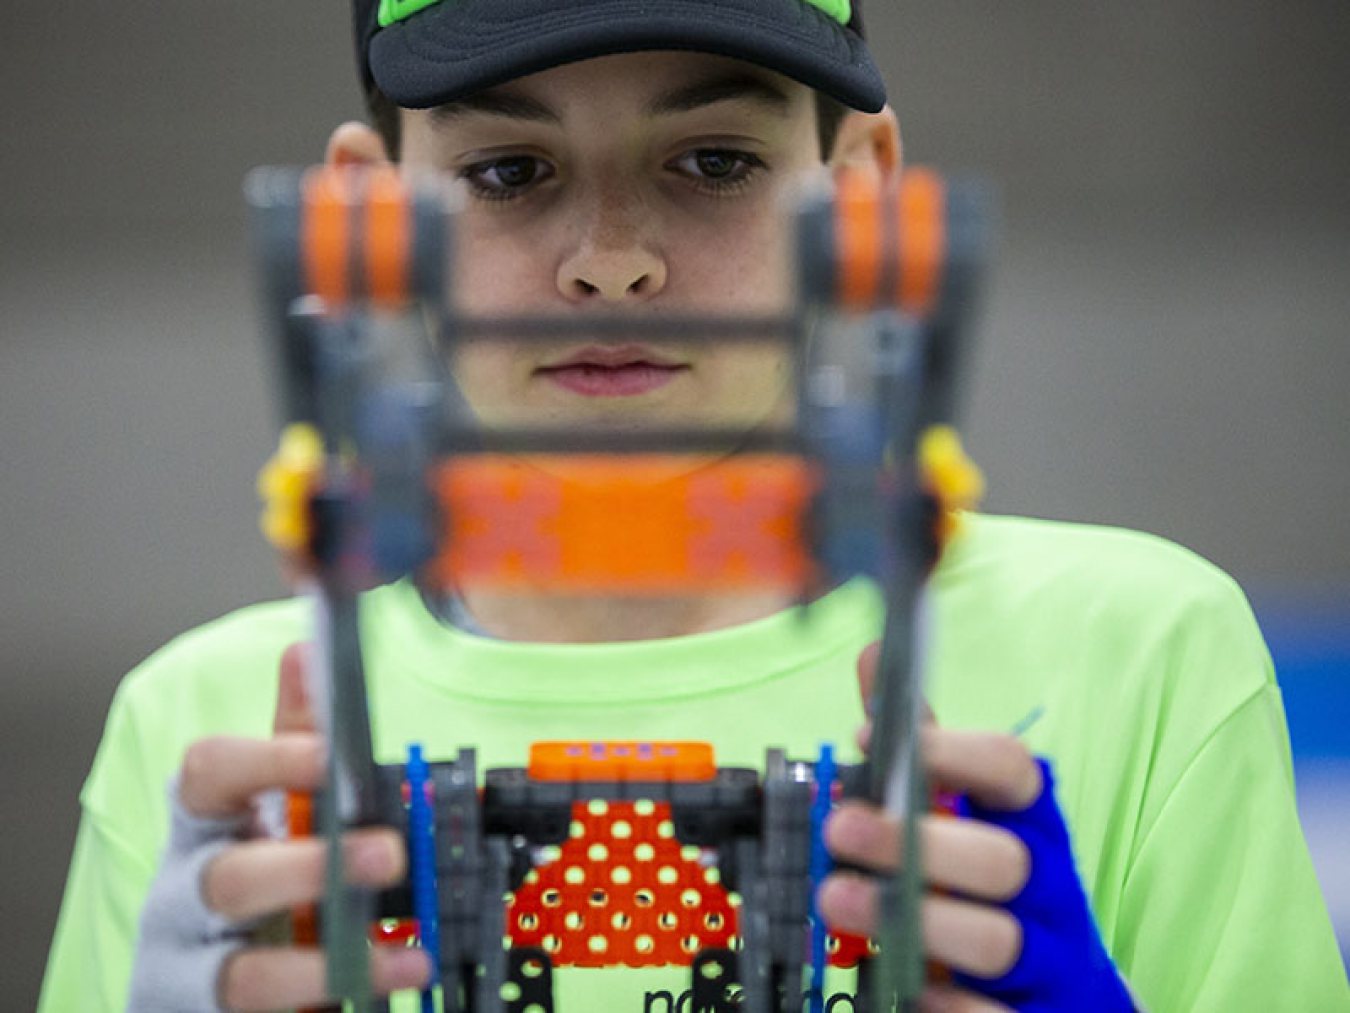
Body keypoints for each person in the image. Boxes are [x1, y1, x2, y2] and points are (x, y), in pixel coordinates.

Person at [40, 1, 1347, 1010]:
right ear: (367, 216)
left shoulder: (1140, 649)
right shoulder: (204, 738)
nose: (612, 259)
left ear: (859, 188)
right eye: (509, 172)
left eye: (712, 160)